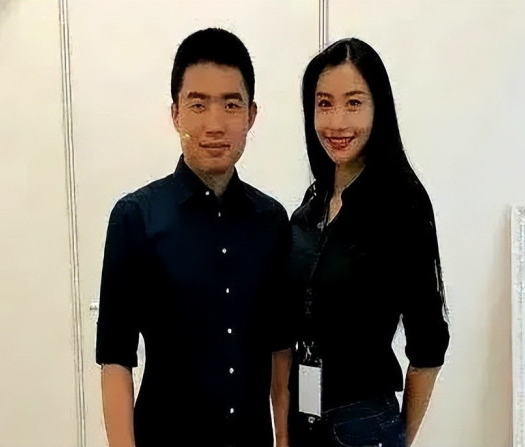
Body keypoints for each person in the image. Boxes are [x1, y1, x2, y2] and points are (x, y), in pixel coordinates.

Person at [95, 28, 293, 447]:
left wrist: (284, 439)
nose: (214, 125)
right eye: (198, 104)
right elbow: (115, 359)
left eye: (231, 105)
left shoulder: (272, 221)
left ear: (251, 115)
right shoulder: (135, 218)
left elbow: (280, 350)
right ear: (176, 114)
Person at [287, 38, 450, 447]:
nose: (337, 122)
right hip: (303, 415)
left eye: (354, 103)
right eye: (324, 104)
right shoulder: (313, 202)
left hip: (363, 423)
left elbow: (429, 344)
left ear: (379, 109)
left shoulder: (402, 203)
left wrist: (398, 437)